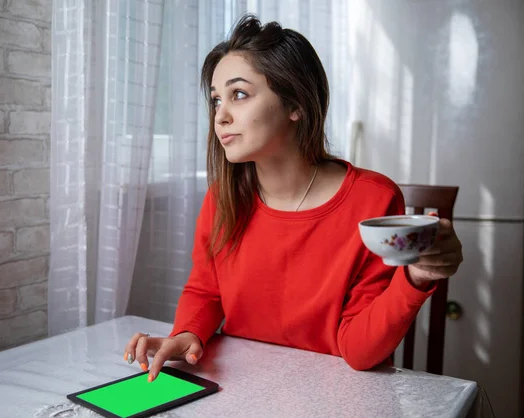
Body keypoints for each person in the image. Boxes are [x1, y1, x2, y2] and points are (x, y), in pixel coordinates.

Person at [124, 14, 463, 383]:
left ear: (295, 105)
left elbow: (359, 351)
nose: (220, 116)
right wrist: (187, 334)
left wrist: (415, 277)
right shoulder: (223, 198)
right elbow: (206, 291)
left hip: (331, 395)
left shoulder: (374, 200)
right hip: (237, 388)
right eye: (216, 100)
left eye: (239, 94)